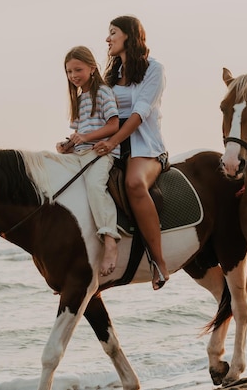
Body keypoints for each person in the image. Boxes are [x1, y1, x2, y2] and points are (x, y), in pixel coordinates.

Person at [92, 15, 170, 290]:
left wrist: (113, 143)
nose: (107, 38)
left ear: (129, 36)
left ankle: (159, 262)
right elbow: (99, 113)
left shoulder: (154, 69)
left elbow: (140, 113)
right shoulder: (110, 76)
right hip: (112, 143)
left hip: (144, 147)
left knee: (134, 183)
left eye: (113, 32)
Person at [56, 45, 121, 276]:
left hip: (101, 152)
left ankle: (110, 240)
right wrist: (68, 144)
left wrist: (85, 137)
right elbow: (79, 133)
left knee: (95, 186)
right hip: (80, 153)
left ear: (92, 68)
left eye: (78, 69)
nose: (73, 76)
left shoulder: (102, 92)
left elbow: (114, 125)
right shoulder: (79, 99)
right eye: (69, 72)